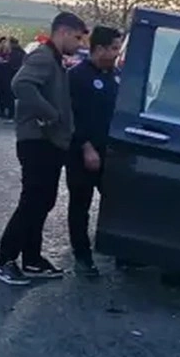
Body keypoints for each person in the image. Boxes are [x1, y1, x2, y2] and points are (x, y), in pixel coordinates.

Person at [0, 11, 88, 285]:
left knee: (43, 202)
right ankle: (6, 260)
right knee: (33, 201)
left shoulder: (55, 60)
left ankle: (32, 259)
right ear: (64, 32)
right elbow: (20, 84)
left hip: (49, 141)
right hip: (37, 140)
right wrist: (50, 114)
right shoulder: (43, 57)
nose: (80, 44)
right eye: (78, 37)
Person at [65, 25, 123, 278]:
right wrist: (86, 147)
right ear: (99, 49)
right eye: (114, 48)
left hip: (111, 153)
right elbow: (71, 116)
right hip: (83, 153)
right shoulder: (78, 76)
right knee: (81, 203)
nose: (117, 53)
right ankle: (82, 256)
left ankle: (119, 250)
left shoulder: (116, 76)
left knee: (116, 201)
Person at [0, 36, 17, 119]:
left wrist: (4, 62)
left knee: (9, 95)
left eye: (5, 43)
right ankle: (1, 111)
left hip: (8, 77)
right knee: (0, 94)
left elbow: (14, 65)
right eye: (2, 43)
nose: (3, 45)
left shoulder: (12, 53)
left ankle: (11, 114)